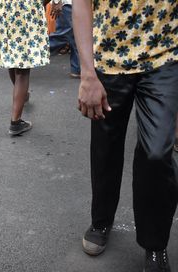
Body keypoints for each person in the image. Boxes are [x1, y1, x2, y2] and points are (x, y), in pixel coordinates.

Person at [73, 0, 178, 271]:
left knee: (156, 154)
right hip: (108, 59)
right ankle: (101, 220)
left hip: (163, 58)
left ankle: (155, 244)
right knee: (105, 148)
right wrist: (87, 74)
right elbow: (82, 4)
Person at [0, 0, 50, 136]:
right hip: (25, 12)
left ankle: (22, 96)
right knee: (23, 70)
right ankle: (15, 122)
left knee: (10, 58)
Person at [49, 0, 80, 78]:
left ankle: (77, 69)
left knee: (77, 36)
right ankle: (33, 52)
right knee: (62, 36)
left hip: (75, 4)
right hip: (67, 4)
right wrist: (56, 1)